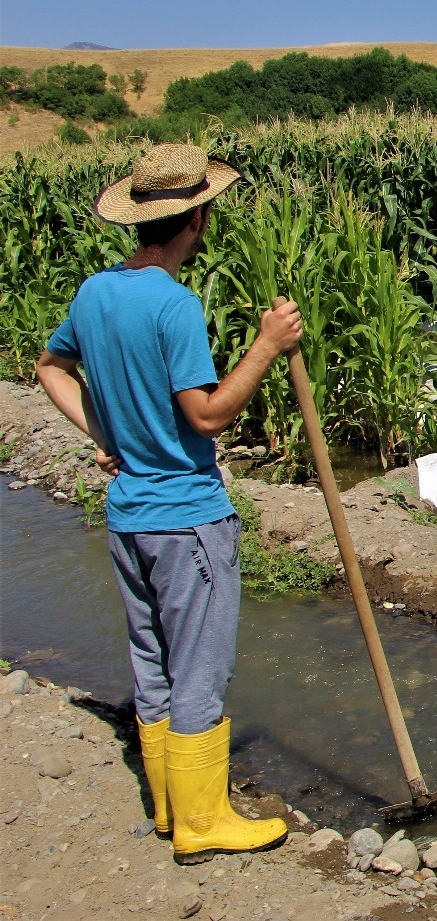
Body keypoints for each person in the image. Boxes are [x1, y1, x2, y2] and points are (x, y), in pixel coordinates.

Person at [36, 143, 303, 863]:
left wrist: (106, 430)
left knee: (153, 664)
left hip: (128, 516)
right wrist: (267, 347)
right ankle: (202, 822)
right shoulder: (175, 305)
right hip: (186, 516)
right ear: (197, 218)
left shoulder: (96, 292)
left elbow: (49, 366)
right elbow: (208, 415)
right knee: (200, 669)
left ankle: (167, 807)